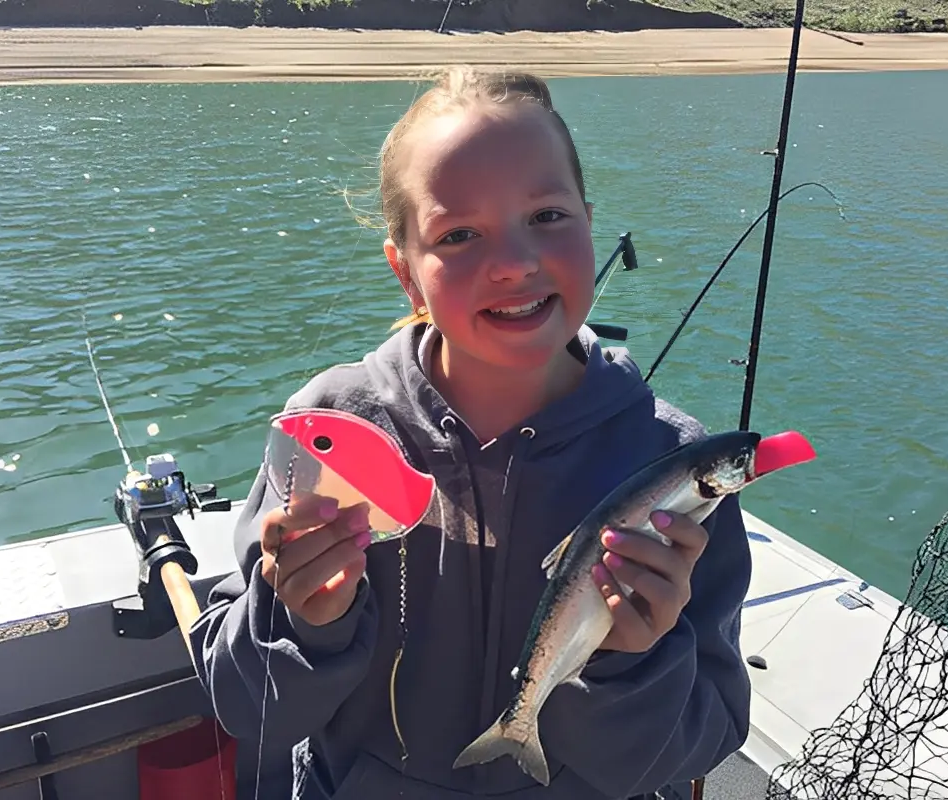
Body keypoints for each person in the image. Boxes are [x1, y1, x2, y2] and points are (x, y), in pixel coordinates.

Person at [189, 66, 752, 800]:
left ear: (588, 218)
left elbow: (691, 746)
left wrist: (630, 659)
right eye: (458, 235)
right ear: (406, 273)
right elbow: (247, 706)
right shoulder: (333, 430)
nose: (516, 264)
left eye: (547, 216)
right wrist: (303, 622)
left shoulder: (671, 464)